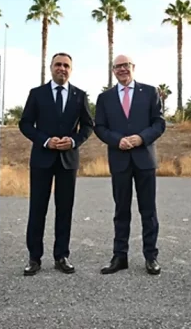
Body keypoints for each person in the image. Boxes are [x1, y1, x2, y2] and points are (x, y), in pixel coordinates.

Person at [18, 52, 94, 276]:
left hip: (68, 161)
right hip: (42, 159)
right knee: (37, 209)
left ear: (71, 69)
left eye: (66, 66)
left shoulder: (80, 95)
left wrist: (73, 141)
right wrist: (45, 140)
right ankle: (34, 258)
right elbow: (25, 124)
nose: (62, 68)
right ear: (50, 67)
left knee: (64, 209)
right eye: (58, 65)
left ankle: (62, 255)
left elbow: (88, 126)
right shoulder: (37, 94)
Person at [93, 54, 166, 275]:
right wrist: (117, 140)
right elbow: (100, 127)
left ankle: (151, 257)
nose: (122, 69)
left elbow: (159, 122)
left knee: (148, 211)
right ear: (113, 70)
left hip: (144, 159)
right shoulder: (104, 98)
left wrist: (142, 138)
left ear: (133, 67)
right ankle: (120, 256)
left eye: (126, 65)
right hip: (120, 159)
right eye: (118, 67)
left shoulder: (150, 92)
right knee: (121, 210)